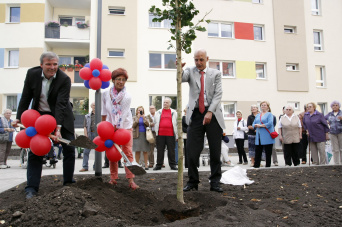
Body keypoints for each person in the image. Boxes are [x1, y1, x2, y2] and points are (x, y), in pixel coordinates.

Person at [14, 52, 75, 199]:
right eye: (48, 64)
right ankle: (31, 188)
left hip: (61, 116)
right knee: (35, 149)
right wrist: (18, 117)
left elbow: (61, 104)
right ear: (41, 64)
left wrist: (58, 128)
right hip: (39, 116)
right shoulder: (32, 74)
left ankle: (68, 183)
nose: (52, 67)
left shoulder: (64, 79)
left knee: (69, 149)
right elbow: (26, 96)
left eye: (55, 64)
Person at [181, 49, 225, 193]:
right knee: (191, 152)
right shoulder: (190, 71)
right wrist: (178, 68)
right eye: (196, 60)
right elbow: (181, 78)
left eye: (201, 60)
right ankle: (193, 181)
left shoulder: (216, 73)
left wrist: (210, 112)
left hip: (213, 115)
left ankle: (215, 182)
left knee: (215, 151)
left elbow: (218, 94)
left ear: (207, 59)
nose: (198, 63)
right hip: (195, 116)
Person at [101, 68, 138, 190]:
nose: (121, 82)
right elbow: (104, 111)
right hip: (110, 128)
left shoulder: (127, 96)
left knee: (127, 153)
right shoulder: (106, 94)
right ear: (113, 80)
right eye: (118, 79)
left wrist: (117, 129)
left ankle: (131, 180)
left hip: (124, 128)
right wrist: (103, 127)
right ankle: (113, 178)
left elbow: (123, 113)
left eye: (123, 80)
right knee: (113, 154)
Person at [153, 97, 178, 171]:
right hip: (160, 134)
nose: (165, 103)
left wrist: (177, 135)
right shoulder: (158, 112)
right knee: (160, 150)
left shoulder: (174, 112)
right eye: (164, 102)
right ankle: (158, 165)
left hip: (171, 134)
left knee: (171, 151)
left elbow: (177, 124)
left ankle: (173, 165)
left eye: (167, 102)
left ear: (170, 104)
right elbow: (155, 122)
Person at [252, 101, 275, 168]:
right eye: (262, 105)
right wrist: (255, 125)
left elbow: (270, 123)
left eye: (265, 105)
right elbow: (253, 123)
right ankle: (256, 165)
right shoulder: (258, 115)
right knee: (258, 151)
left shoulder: (269, 114)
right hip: (259, 135)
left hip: (267, 135)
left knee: (268, 151)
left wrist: (261, 125)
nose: (263, 106)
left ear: (267, 106)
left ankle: (267, 165)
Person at [79, 102, 96, 172]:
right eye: (94, 105)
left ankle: (96, 166)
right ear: (91, 106)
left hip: (97, 135)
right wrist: (86, 135)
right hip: (90, 134)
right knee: (86, 151)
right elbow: (85, 126)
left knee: (97, 152)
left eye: (96, 105)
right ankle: (85, 166)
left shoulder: (100, 116)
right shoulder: (87, 116)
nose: (95, 106)